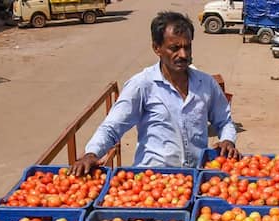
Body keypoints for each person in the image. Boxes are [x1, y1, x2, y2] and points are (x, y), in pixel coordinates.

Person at [70, 12, 239, 175]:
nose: (183, 54)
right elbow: (112, 127)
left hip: (194, 179)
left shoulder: (206, 84)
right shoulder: (142, 85)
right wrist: (91, 154)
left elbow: (224, 121)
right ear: (157, 48)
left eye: (187, 47)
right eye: (175, 48)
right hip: (152, 181)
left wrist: (227, 139)